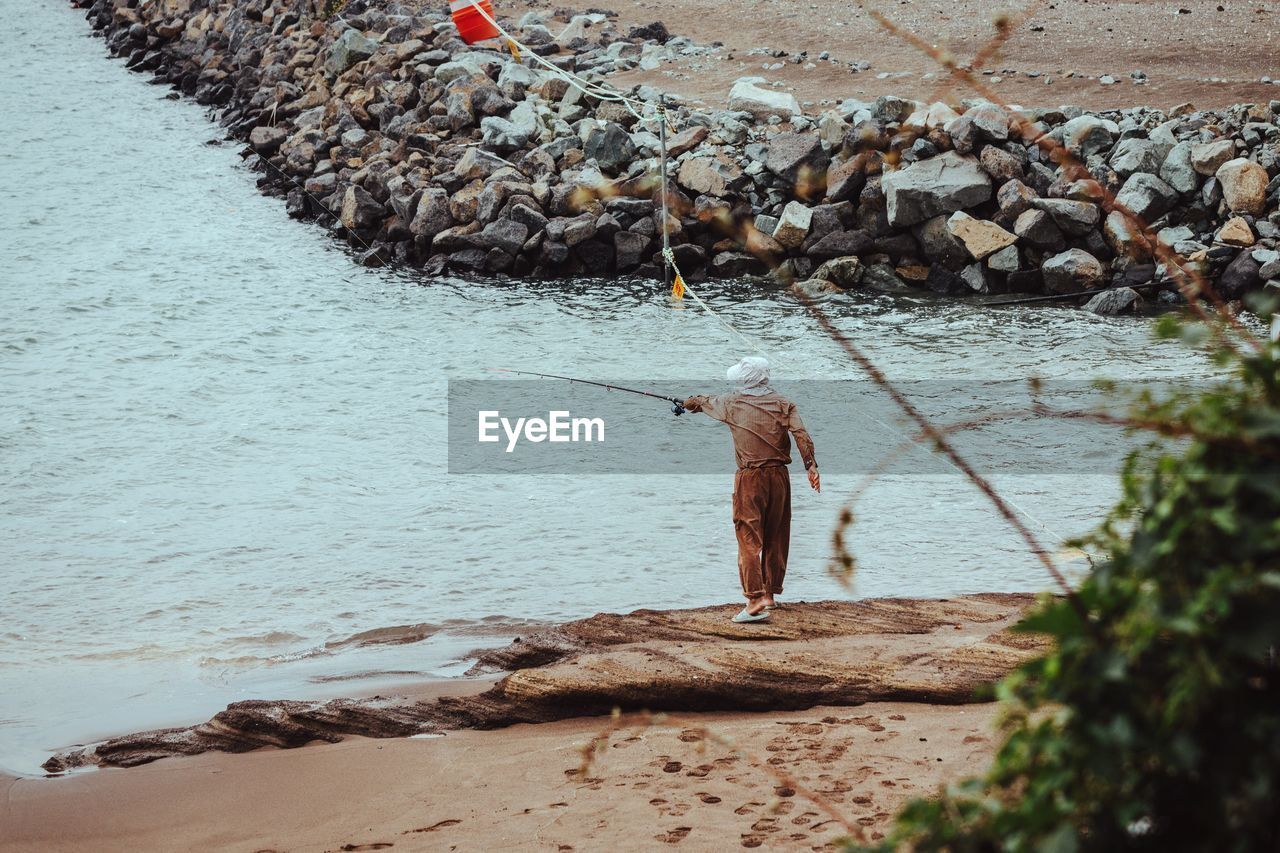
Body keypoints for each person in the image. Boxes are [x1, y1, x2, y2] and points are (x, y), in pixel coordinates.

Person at [684, 357, 819, 624]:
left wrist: (686, 403)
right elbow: (801, 435)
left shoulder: (730, 403)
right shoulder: (784, 403)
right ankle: (769, 594)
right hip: (780, 477)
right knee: (777, 535)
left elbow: (698, 402)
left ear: (742, 380)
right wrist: (811, 467)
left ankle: (755, 598)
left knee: (748, 539)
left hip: (750, 478)